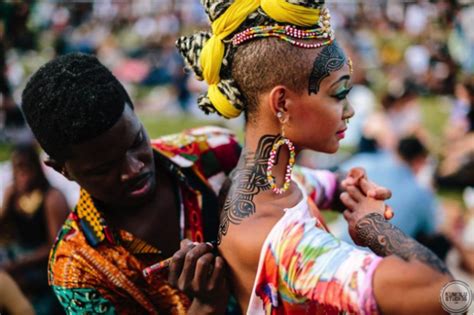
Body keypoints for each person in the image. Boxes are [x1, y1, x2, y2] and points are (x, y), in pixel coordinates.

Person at [177, 1, 453, 314]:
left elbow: (324, 184)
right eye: (339, 94)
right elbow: (447, 296)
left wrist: (348, 188)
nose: (349, 111)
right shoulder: (285, 246)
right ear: (282, 103)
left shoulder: (265, 182)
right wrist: (376, 228)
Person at [20, 53, 241, 314]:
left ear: (134, 112)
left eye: (136, 142)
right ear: (62, 170)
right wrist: (206, 306)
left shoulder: (215, 152)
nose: (134, 169)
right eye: (104, 168)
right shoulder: (77, 270)